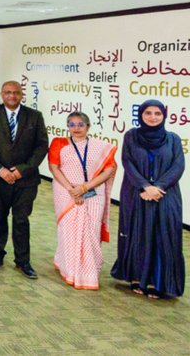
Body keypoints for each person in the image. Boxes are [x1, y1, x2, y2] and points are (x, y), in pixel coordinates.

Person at [112, 100, 186, 299]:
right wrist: (145, 186)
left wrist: (157, 187)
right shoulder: (131, 136)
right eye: (148, 113)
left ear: (164, 116)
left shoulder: (173, 139)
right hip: (136, 192)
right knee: (137, 233)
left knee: (163, 235)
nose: (153, 117)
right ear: (141, 115)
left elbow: (178, 166)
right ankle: (137, 277)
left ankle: (158, 281)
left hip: (165, 194)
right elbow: (127, 162)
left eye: (157, 113)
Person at [0, 80, 48, 279]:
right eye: (8, 92)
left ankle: (23, 260)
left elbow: (41, 146)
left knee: (21, 220)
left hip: (26, 180)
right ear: (2, 94)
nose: (12, 96)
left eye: (16, 92)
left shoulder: (35, 116)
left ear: (22, 95)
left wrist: (23, 170)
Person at [48, 111, 117, 290]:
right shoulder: (59, 143)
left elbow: (107, 171)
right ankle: (70, 268)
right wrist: (72, 190)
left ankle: (89, 270)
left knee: (91, 230)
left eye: (80, 124)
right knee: (69, 230)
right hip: (65, 192)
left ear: (88, 126)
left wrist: (84, 188)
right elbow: (54, 168)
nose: (76, 128)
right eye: (72, 125)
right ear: (67, 126)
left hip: (94, 193)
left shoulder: (100, 147)